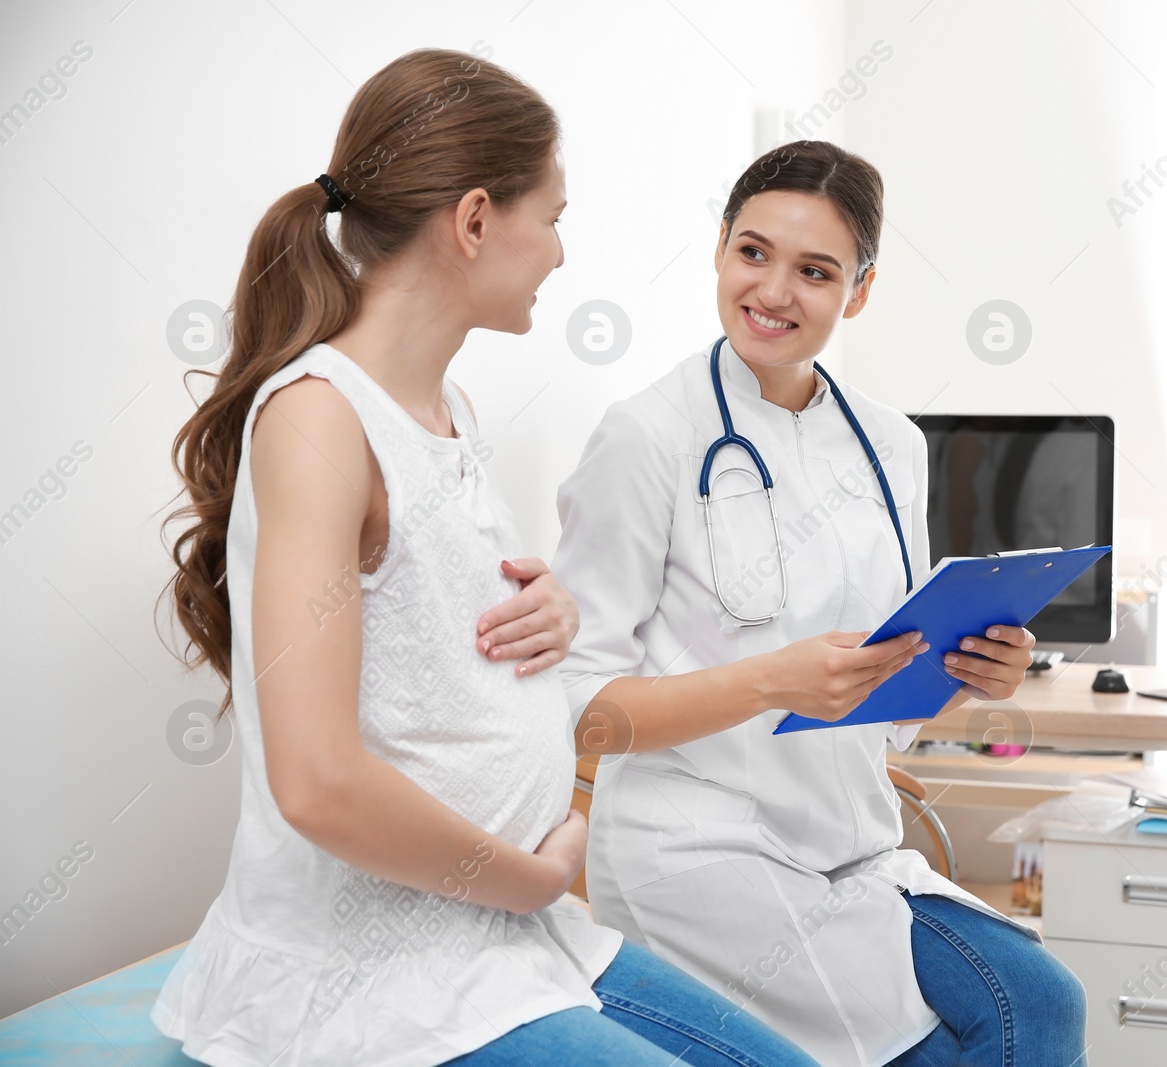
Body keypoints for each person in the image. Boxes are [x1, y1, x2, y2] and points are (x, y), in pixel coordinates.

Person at [155, 48, 818, 1067]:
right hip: (381, 968)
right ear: (473, 221)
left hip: (510, 932)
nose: (558, 252)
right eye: (550, 217)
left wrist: (543, 609)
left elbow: (420, 627)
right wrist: (529, 874)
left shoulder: (446, 409)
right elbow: (317, 781)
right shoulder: (322, 420)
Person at [480, 140, 1088, 1066]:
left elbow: (886, 705)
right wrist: (769, 682)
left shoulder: (890, 445)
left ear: (862, 289)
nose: (774, 291)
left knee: (1041, 1000)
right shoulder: (647, 436)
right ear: (720, 246)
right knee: (939, 1043)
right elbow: (576, 711)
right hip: (696, 858)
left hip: (853, 844)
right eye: (753, 252)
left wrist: (966, 676)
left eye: (816, 271)